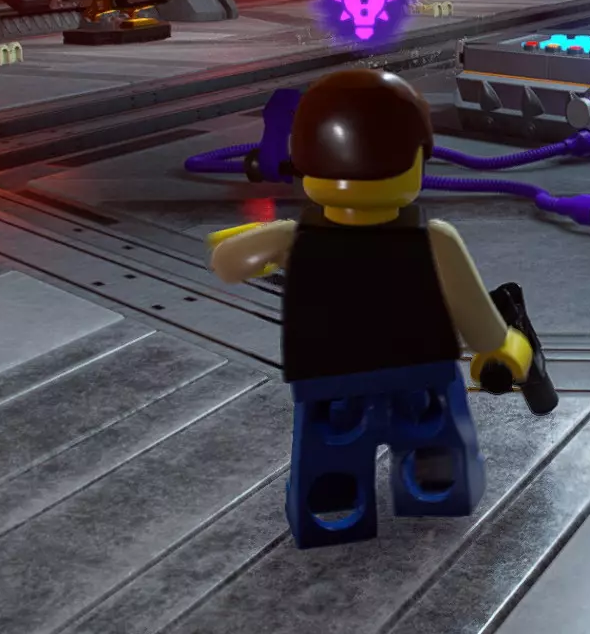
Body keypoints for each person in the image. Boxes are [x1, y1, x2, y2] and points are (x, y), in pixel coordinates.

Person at [207, 68, 533, 547]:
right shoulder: (434, 239)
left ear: (304, 158)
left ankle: (333, 505)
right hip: (420, 376)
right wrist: (506, 348)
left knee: (331, 451)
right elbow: (478, 322)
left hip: (327, 380)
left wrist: (257, 242)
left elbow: (226, 264)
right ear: (418, 156)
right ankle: (433, 490)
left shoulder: (294, 238)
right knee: (432, 442)